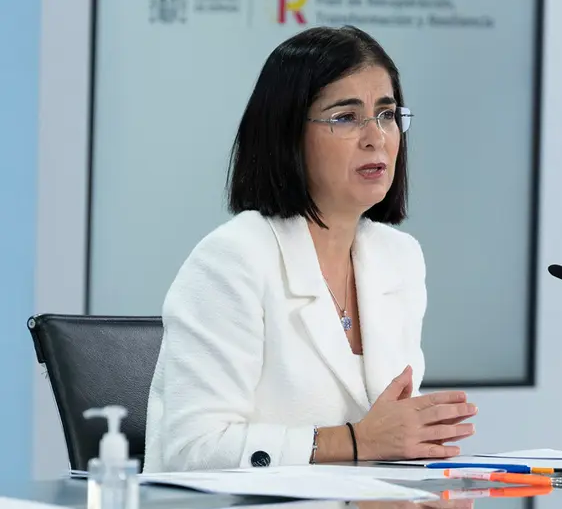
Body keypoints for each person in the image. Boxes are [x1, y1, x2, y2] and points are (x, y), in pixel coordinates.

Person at [143, 26, 477, 472]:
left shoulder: (398, 259)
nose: (376, 137)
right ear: (286, 136)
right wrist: (356, 442)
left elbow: (389, 444)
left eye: (387, 114)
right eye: (345, 117)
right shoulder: (234, 259)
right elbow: (192, 451)